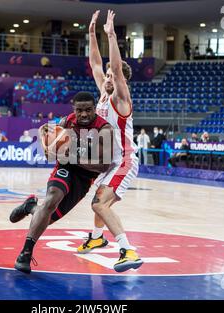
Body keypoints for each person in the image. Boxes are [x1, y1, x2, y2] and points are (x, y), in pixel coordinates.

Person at [10, 92, 114, 274]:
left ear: (94, 109)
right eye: (79, 110)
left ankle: (31, 207)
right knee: (51, 200)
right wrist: (47, 146)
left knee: (46, 218)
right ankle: (25, 253)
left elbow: (103, 166)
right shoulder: (67, 121)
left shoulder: (104, 129)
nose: (83, 114)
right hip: (65, 168)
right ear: (74, 109)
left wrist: (72, 157)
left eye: (88, 110)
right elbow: (44, 131)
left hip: (85, 177)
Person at [75, 10, 143, 272]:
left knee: (100, 204)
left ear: (121, 81)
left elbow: (114, 67)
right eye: (107, 76)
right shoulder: (103, 94)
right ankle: (95, 238)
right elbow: (95, 64)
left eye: (112, 77)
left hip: (124, 161)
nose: (107, 78)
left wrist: (111, 35)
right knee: (98, 200)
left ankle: (128, 250)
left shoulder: (120, 99)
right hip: (111, 162)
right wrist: (91, 34)